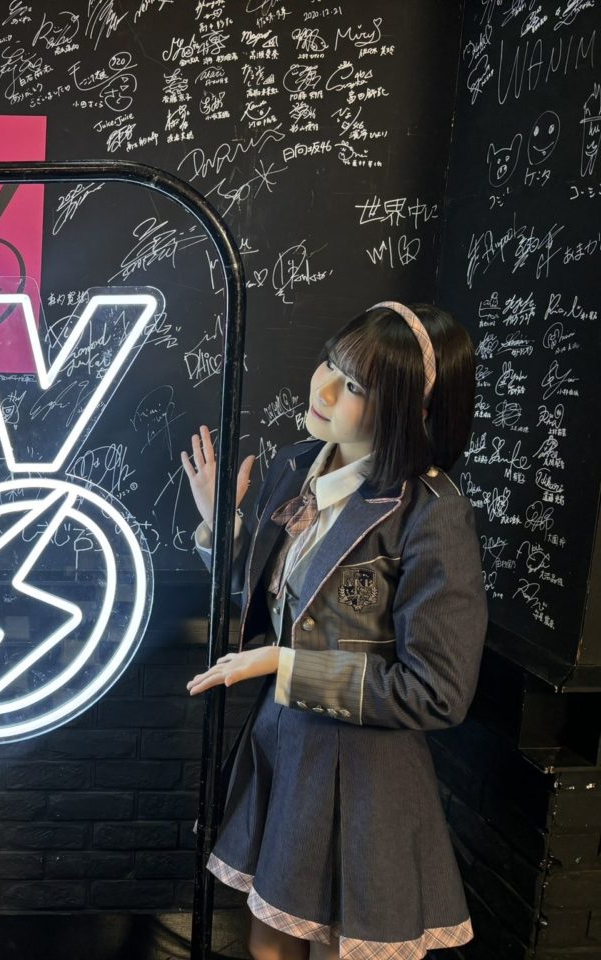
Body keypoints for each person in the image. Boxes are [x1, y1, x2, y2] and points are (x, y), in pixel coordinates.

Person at [180, 302, 486, 960]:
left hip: (366, 776)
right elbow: (279, 602)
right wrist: (222, 529)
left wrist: (284, 666)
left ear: (407, 408)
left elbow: (437, 692)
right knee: (268, 945)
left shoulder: (430, 514)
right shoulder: (296, 466)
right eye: (331, 363)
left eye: (354, 386)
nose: (322, 390)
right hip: (283, 748)